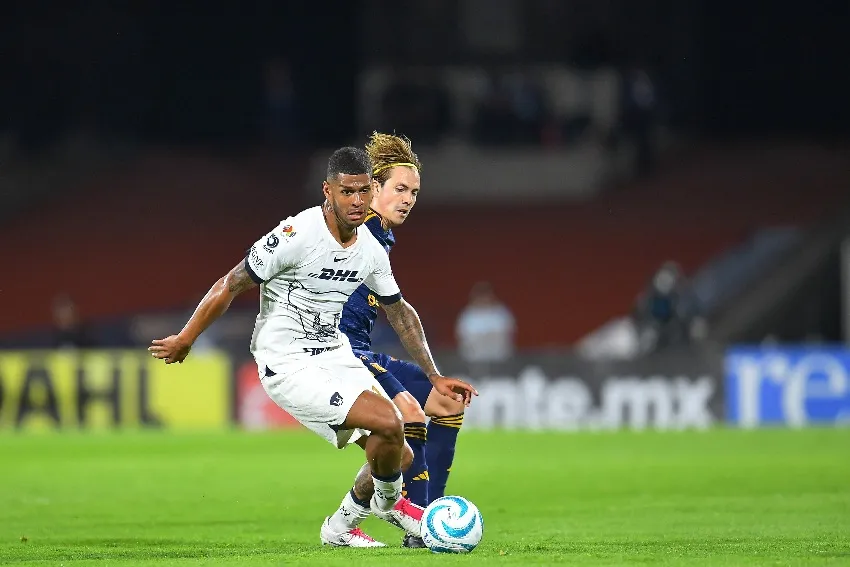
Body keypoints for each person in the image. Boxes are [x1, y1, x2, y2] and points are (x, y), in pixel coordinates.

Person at [148, 147, 477, 547]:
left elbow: (400, 312)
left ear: (371, 190)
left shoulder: (371, 249)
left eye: (362, 191)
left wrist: (434, 375)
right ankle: (395, 509)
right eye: (346, 193)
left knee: (396, 453)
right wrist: (186, 337)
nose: (356, 202)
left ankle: (338, 529)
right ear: (328, 191)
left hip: (333, 353)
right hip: (287, 363)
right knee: (392, 422)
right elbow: (232, 282)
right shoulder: (296, 235)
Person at [339, 132, 467, 548]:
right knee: (409, 413)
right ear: (373, 188)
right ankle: (416, 520)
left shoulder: (380, 238)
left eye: (414, 191)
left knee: (447, 404)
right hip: (336, 352)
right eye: (400, 189)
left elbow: (399, 310)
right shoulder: (354, 229)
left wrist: (435, 374)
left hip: (362, 349)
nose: (409, 199)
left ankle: (433, 515)